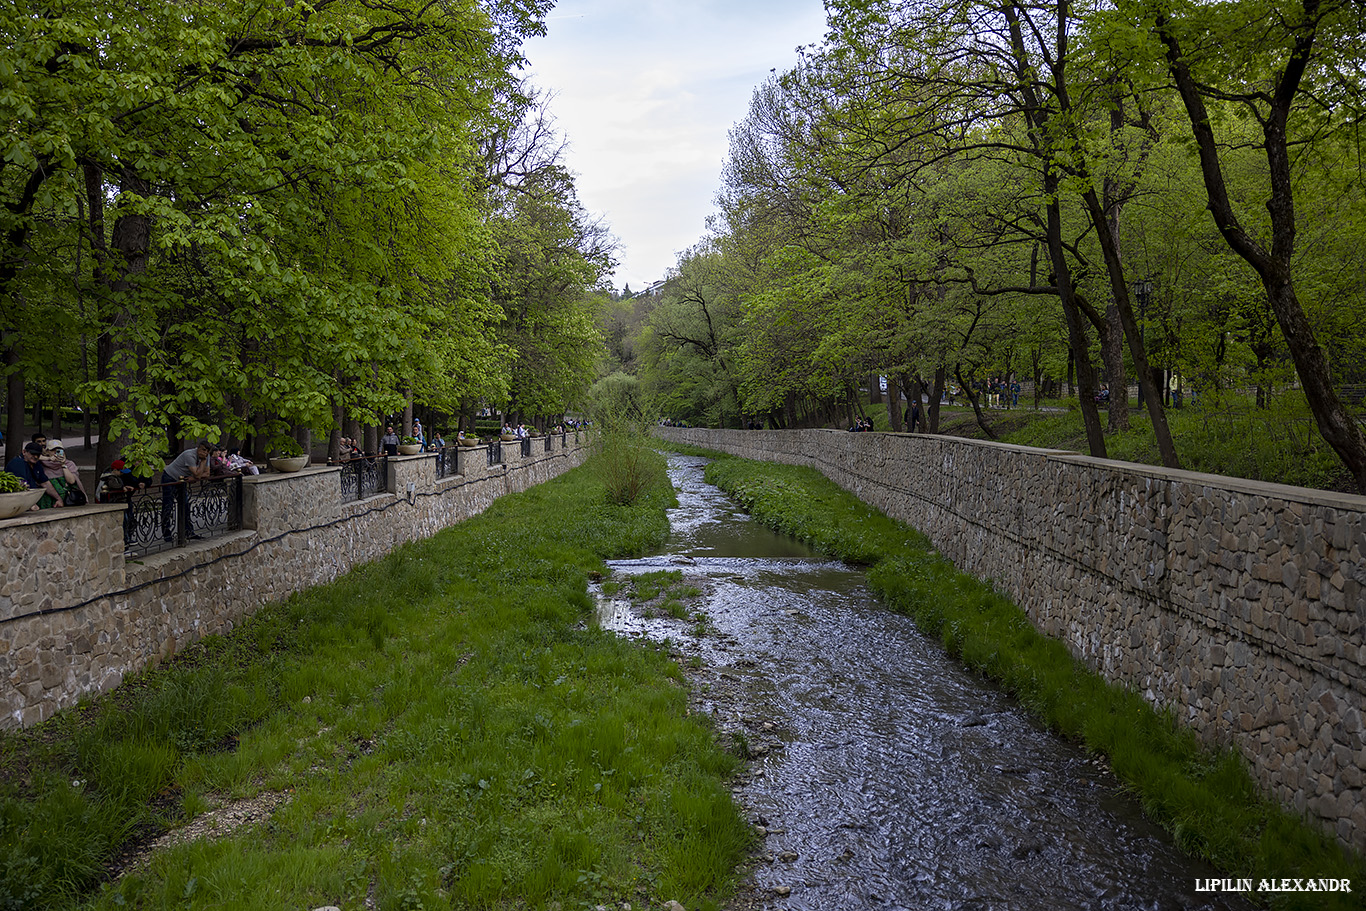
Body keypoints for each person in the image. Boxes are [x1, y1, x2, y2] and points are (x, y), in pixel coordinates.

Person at [161, 441, 210, 542]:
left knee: (185, 505)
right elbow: (198, 474)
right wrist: (200, 469)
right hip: (170, 477)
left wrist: (196, 474)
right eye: (203, 450)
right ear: (198, 448)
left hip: (182, 480)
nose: (204, 453)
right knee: (168, 506)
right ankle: (166, 533)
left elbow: (207, 473)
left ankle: (188, 532)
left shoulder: (206, 457)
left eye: (207, 451)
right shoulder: (189, 455)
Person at [5, 441, 63, 509]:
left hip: (31, 499)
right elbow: (20, 486)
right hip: (16, 502)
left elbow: (45, 483)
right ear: (24, 452)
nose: (35, 457)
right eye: (33, 454)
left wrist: (58, 499)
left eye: (38, 455)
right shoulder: (17, 463)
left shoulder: (36, 463)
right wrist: (30, 504)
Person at [39, 440, 88, 505]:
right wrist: (49, 459)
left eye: (59, 450)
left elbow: (71, 481)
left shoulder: (69, 464)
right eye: (53, 450)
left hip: (69, 500)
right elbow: (30, 456)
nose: (56, 453)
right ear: (48, 451)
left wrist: (63, 465)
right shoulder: (42, 464)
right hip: (49, 501)